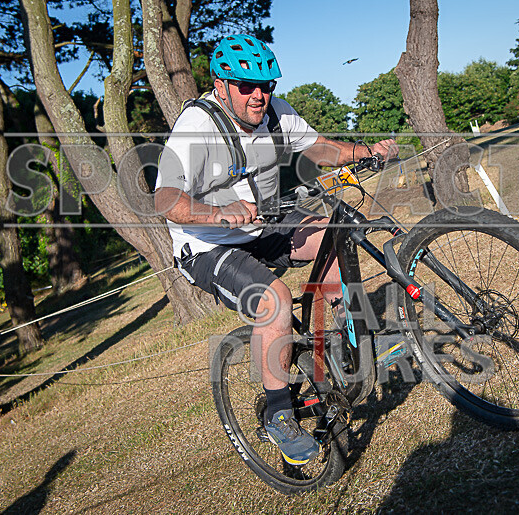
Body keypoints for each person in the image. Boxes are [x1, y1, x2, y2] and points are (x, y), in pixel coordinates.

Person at [155, 34, 395, 466]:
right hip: (207, 244)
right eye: (246, 86)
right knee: (274, 301)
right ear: (220, 85)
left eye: (266, 86)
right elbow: (166, 199)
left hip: (264, 224)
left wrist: (364, 152)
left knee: (335, 236)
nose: (259, 95)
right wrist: (218, 213)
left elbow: (317, 147)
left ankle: (342, 343)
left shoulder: (275, 113)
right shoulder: (196, 126)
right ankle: (278, 414)